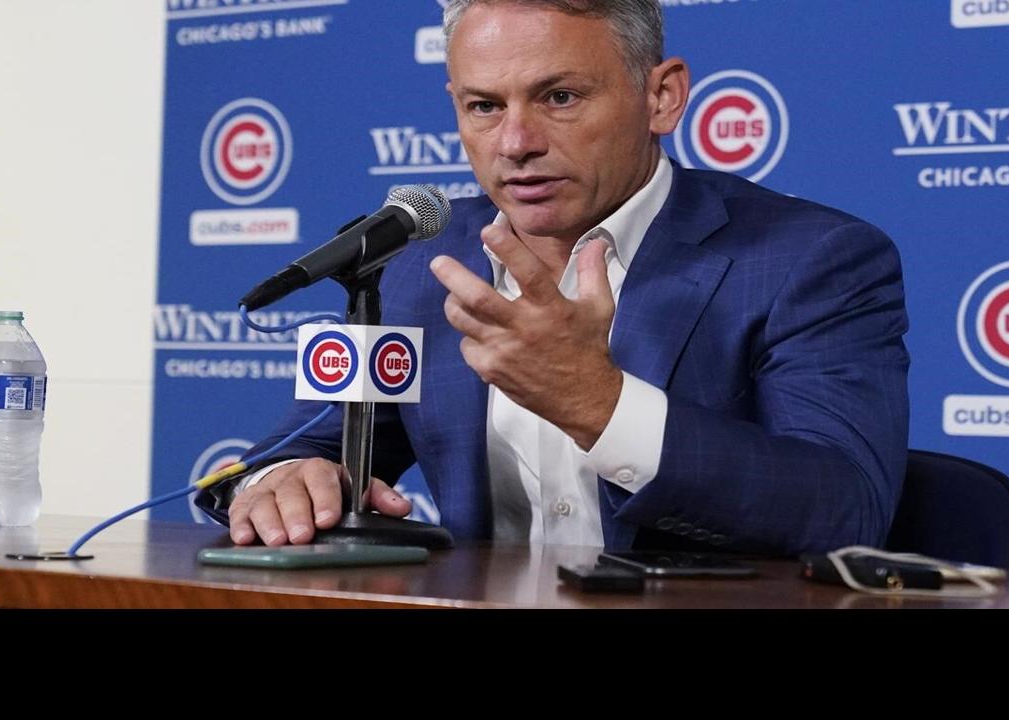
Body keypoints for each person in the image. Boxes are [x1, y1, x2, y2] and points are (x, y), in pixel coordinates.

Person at [196, 0, 910, 557]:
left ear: (661, 96)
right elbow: (301, 451)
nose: (516, 143)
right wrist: (279, 485)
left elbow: (843, 508)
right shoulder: (424, 263)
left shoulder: (811, 259)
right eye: (484, 106)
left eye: (560, 97)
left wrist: (596, 402)